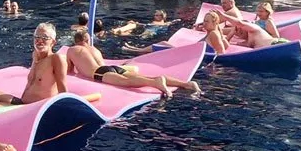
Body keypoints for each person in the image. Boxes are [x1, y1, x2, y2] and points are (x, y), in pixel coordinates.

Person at [66, 28, 201, 95]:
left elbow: (69, 70)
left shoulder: (72, 50)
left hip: (99, 73)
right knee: (142, 77)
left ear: (76, 41)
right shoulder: (94, 49)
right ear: (87, 40)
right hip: (111, 67)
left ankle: (155, 83)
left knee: (127, 82)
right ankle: (186, 84)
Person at [0, 22, 67, 105]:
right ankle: (7, 107)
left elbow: (63, 90)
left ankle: (4, 107)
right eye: (37, 37)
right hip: (23, 103)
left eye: (45, 37)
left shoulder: (56, 59)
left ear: (53, 42)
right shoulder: (35, 55)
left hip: (37, 107)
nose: (40, 40)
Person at [214, 8, 284, 49]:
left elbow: (240, 23)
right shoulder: (247, 42)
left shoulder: (254, 29)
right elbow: (227, 44)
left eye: (240, 29)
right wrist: (232, 33)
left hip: (277, 44)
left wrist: (224, 16)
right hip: (272, 48)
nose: (239, 32)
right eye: (237, 32)